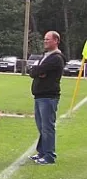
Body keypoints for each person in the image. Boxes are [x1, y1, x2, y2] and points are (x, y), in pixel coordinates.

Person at [28, 30, 66, 165]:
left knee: (47, 126)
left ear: (56, 41)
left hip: (48, 96)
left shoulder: (56, 58)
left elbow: (37, 70)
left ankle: (49, 155)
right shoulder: (45, 56)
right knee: (41, 126)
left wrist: (38, 71)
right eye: (44, 39)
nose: (45, 42)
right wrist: (38, 71)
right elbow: (33, 71)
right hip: (39, 96)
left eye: (48, 39)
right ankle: (42, 152)